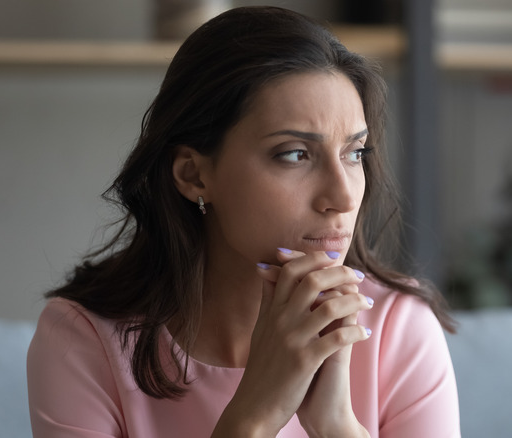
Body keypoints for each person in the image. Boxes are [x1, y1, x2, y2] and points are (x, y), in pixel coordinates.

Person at [27, 6, 460, 437]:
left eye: (354, 153)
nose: (343, 196)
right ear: (193, 175)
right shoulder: (83, 340)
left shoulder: (398, 327)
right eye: (294, 154)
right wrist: (252, 417)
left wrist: (336, 427)